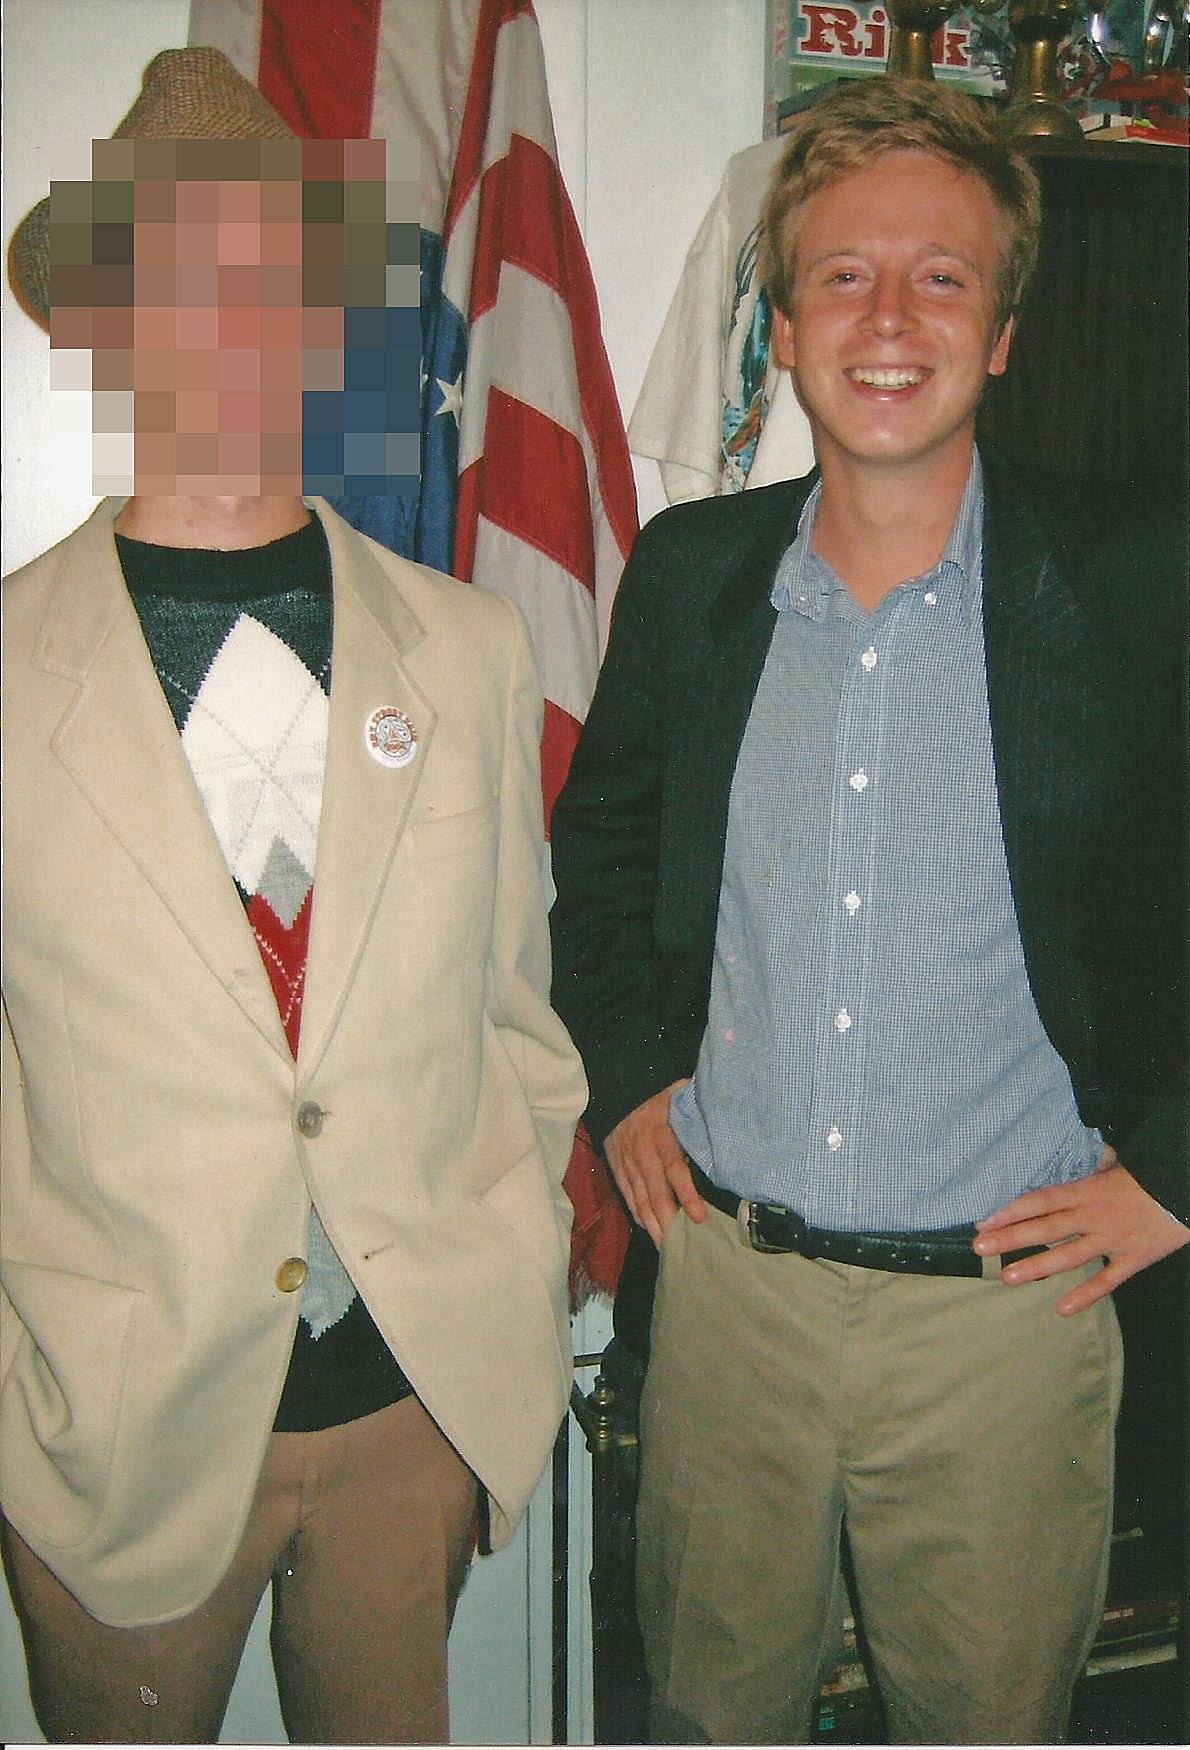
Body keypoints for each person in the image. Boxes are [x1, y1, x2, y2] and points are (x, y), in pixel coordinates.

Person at [549, 76, 1188, 1745]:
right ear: (781, 321)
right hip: (727, 1309)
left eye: (939, 277)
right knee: (707, 1720)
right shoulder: (691, 578)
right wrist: (628, 1071)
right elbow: (596, 859)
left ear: (1002, 334)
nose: (887, 317)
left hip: (1005, 1329)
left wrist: (1177, 1171)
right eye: (840, 274)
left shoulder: (1134, 583)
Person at [1, 47, 586, 1745]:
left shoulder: (468, 647)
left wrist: (512, 1270)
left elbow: (518, 1018)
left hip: (414, 1409)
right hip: (115, 1434)